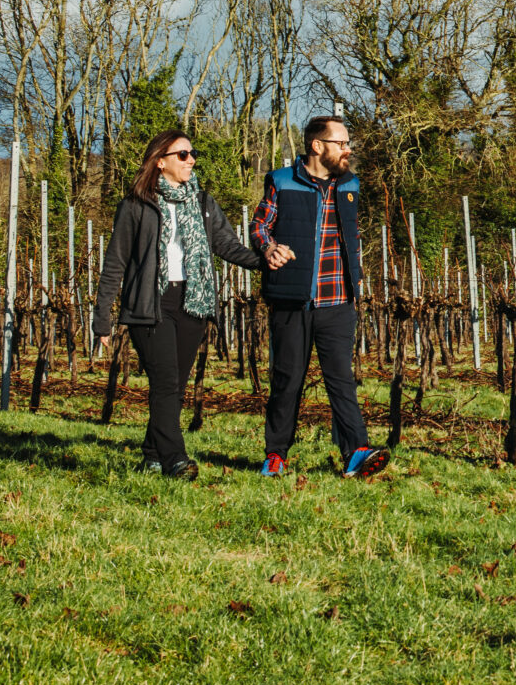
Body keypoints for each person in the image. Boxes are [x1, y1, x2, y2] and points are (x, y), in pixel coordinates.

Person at [93, 131, 268, 478]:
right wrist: (102, 319)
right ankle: (175, 460)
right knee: (165, 383)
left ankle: (151, 453)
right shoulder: (136, 206)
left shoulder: (203, 203)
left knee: (175, 386)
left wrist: (265, 261)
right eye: (183, 154)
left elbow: (227, 247)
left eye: (192, 153)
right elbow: (115, 262)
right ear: (161, 161)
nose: (192, 160)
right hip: (150, 303)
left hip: (193, 301)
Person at [252, 114, 387, 478]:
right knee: (287, 380)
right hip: (291, 300)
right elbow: (260, 226)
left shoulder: (350, 185)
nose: (347, 149)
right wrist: (269, 248)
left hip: (338, 300)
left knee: (341, 380)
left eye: (347, 143)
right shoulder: (281, 181)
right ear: (317, 146)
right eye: (340, 143)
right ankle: (275, 456)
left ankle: (356, 452)